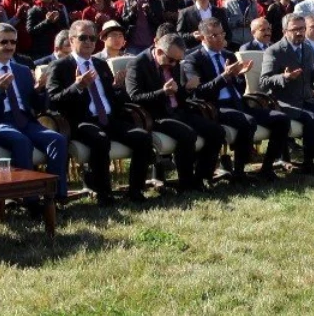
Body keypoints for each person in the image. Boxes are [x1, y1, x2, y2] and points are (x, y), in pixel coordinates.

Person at [46, 20, 153, 205]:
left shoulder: (101, 64)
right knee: (100, 139)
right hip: (81, 121)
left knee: (143, 137)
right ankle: (104, 193)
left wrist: (119, 88)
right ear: (71, 40)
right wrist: (78, 86)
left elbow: (112, 98)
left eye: (92, 38)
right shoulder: (60, 66)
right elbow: (53, 100)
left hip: (109, 118)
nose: (88, 42)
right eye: (83, 38)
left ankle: (135, 190)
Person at [0, 23, 69, 201]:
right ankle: (30, 199)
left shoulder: (22, 70)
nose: (9, 46)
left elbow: (35, 105)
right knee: (21, 142)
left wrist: (39, 90)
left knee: (57, 139)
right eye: (3, 42)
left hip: (24, 120)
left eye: (13, 42)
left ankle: (56, 197)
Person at [183, 21, 289, 184]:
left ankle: (266, 168)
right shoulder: (193, 59)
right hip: (213, 107)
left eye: (222, 34)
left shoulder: (228, 55)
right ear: (203, 37)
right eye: (214, 35)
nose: (220, 39)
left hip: (238, 103)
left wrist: (239, 76)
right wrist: (225, 76)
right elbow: (199, 92)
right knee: (247, 122)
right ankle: (239, 172)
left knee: (281, 119)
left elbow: (239, 88)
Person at [129, 29, 227, 192]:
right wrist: (162, 92)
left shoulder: (174, 62)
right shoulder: (138, 63)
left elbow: (178, 94)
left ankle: (202, 177)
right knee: (187, 134)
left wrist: (187, 89)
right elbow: (134, 97)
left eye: (177, 61)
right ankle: (186, 183)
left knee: (216, 131)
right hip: (155, 115)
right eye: (171, 60)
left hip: (178, 110)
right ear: (159, 50)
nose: (174, 64)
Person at [258, 12, 314, 177]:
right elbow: (264, 81)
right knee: (312, 119)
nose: (299, 33)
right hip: (284, 102)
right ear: (284, 31)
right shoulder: (274, 51)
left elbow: (308, 77)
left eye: (302, 29)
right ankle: (309, 163)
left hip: (305, 98)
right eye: (295, 29)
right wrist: (284, 77)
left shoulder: (307, 48)